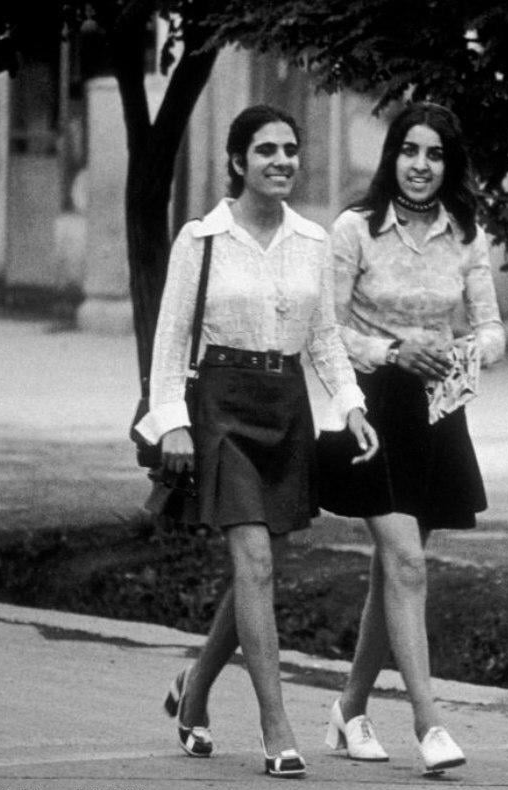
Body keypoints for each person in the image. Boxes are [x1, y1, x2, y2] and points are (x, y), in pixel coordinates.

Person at [135, 104, 378, 777]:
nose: (282, 162)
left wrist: (351, 404)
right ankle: (278, 729)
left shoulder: (313, 239)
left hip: (287, 408)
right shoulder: (201, 239)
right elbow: (170, 338)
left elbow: (325, 335)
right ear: (238, 161)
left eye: (291, 150)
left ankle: (194, 691)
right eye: (267, 150)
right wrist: (171, 421)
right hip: (222, 407)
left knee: (259, 569)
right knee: (256, 566)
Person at [318, 102, 505, 773]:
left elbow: (493, 331)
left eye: (434, 154)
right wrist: (394, 350)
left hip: (437, 407)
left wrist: (456, 352)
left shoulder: (466, 233)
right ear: (391, 155)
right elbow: (326, 329)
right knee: (407, 564)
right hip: (371, 408)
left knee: (394, 572)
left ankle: (349, 709)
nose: (421, 166)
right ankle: (430, 724)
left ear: (448, 164)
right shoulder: (354, 230)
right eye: (409, 151)